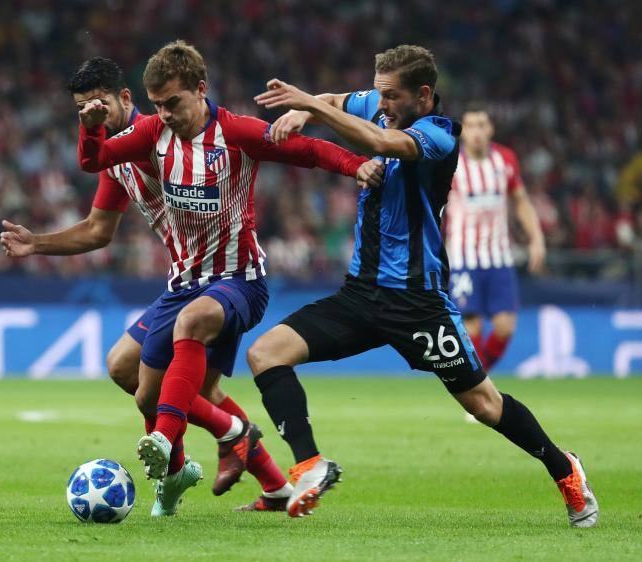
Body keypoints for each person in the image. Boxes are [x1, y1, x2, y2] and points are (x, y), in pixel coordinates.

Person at [251, 44, 598, 527]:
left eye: (391, 97)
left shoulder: (440, 135)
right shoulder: (379, 104)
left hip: (417, 301)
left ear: (424, 95)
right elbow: (335, 99)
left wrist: (309, 104)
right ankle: (310, 466)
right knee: (266, 353)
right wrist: (310, 107)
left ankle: (565, 469)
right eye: (378, 94)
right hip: (360, 293)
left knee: (483, 404)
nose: (382, 104)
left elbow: (384, 145)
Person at [76, 41, 383, 515]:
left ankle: (166, 438)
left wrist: (356, 164)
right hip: (183, 283)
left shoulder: (235, 132)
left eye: (173, 103)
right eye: (156, 105)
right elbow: (95, 161)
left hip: (239, 281)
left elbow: (308, 150)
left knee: (190, 330)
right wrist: (89, 129)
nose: (164, 114)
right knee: (141, 389)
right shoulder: (154, 133)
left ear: (201, 90)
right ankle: (244, 449)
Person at [0, 56, 295, 515]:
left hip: (224, 280)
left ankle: (197, 464)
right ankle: (266, 483)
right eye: (80, 107)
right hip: (185, 282)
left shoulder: (161, 135)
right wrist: (36, 244)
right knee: (128, 369)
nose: (89, 114)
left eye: (97, 103)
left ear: (124, 98)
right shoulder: (116, 157)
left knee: (171, 393)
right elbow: (99, 230)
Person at [443, 105, 546, 370]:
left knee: (504, 326)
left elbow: (521, 202)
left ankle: (479, 378)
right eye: (471, 126)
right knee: (471, 325)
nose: (476, 132)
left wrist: (537, 240)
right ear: (462, 132)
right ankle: (479, 387)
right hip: (463, 256)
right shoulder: (451, 163)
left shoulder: (505, 160)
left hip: (499, 256)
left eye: (481, 125)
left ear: (490, 129)